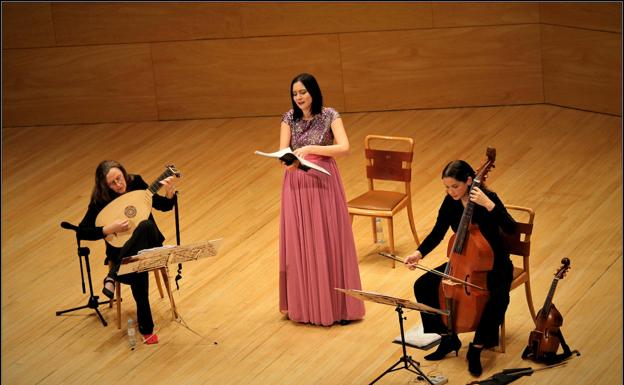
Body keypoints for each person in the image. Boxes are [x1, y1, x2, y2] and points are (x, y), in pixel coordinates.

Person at [404, 160, 516, 376]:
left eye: (455, 186)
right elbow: (438, 232)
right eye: (447, 187)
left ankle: (476, 348)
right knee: (424, 285)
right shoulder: (450, 202)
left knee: (498, 298)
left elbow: (511, 228)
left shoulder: (488, 199)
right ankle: (448, 338)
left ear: (468, 181)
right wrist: (418, 254)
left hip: (496, 263)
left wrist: (488, 205)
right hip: (464, 261)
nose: (451, 191)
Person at [278, 73, 365, 326]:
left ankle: (339, 307)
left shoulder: (330, 115)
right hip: (297, 182)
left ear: (313, 92)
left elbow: (344, 147)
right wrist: (289, 161)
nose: (299, 98)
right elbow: (283, 152)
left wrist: (311, 149)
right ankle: (304, 306)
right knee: (302, 242)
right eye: (295, 94)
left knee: (329, 239)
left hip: (324, 180)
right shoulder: (288, 118)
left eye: (303, 92)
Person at [77, 160, 177, 344]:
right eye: (112, 183)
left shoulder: (136, 183)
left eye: (119, 178)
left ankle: (112, 277)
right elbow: (82, 231)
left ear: (124, 174)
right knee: (138, 269)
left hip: (151, 242)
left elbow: (164, 206)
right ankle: (147, 330)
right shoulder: (100, 201)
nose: (118, 184)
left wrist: (169, 193)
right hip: (123, 251)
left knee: (145, 225)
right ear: (104, 185)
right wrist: (107, 229)